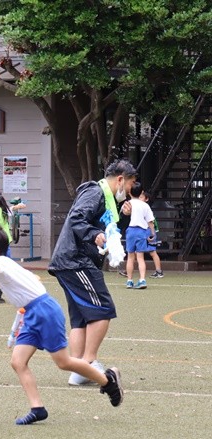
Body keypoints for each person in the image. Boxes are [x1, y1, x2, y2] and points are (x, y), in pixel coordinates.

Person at [0, 226, 123, 425]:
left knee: (64, 362)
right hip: (32, 314)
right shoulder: (5, 264)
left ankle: (107, 380)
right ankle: (38, 408)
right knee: (18, 362)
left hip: (44, 311)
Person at [49, 159, 137, 386]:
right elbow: (78, 218)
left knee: (81, 318)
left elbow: (109, 230)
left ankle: (78, 368)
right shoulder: (95, 192)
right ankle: (89, 362)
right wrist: (92, 234)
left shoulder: (107, 200)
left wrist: (123, 215)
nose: (129, 191)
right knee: (103, 310)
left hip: (70, 262)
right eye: (129, 185)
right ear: (120, 179)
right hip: (76, 261)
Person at [124, 183, 155, 289]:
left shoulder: (128, 203)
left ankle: (129, 280)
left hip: (131, 231)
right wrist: (153, 233)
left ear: (129, 193)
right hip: (141, 231)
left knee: (130, 257)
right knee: (140, 257)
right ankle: (142, 279)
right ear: (142, 192)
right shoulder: (145, 205)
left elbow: (125, 213)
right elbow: (150, 221)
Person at [141, 191, 164, 279]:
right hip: (145, 230)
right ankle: (128, 270)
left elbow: (151, 222)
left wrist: (152, 233)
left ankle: (159, 271)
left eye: (141, 197)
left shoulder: (146, 208)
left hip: (149, 230)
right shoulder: (142, 207)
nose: (139, 199)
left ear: (146, 199)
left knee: (152, 252)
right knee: (136, 251)